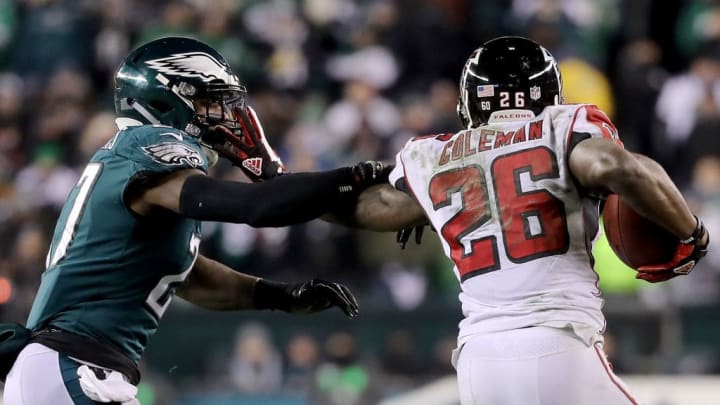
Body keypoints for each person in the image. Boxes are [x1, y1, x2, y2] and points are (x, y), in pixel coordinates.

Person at [0, 37, 389, 404]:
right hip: (74, 366)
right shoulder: (146, 148)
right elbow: (253, 207)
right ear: (167, 100)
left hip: (72, 367)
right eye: (208, 102)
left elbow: (187, 275)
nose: (223, 117)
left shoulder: (132, 160)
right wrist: (350, 176)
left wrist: (280, 297)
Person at [352, 36, 710, 405]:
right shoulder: (564, 129)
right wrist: (692, 233)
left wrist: (298, 189)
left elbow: (362, 204)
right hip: (556, 339)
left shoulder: (433, 155)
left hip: (478, 358)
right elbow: (618, 166)